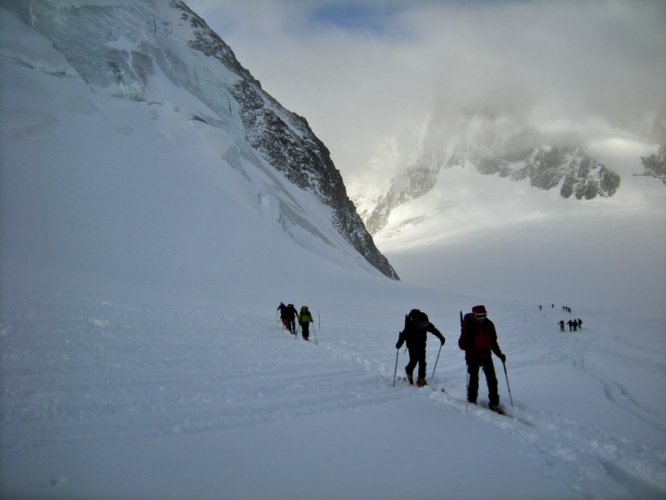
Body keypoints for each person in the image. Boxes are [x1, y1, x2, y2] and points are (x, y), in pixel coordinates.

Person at [458, 305, 506, 410]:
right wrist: (468, 346)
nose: (482, 318)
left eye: (484, 315)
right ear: (475, 315)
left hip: (486, 354)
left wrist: (499, 355)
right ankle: (471, 399)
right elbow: (461, 344)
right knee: (474, 378)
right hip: (473, 355)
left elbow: (493, 343)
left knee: (492, 379)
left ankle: (494, 403)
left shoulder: (489, 325)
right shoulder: (468, 325)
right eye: (479, 316)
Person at [395, 309, 445, 387]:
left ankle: (421, 379)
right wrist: (399, 344)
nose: (424, 326)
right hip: (412, 345)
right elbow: (403, 336)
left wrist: (441, 338)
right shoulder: (410, 326)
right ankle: (408, 371)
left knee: (422, 362)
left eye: (425, 324)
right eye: (422, 324)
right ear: (417, 322)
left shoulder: (425, 324)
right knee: (414, 361)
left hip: (421, 345)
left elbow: (434, 330)